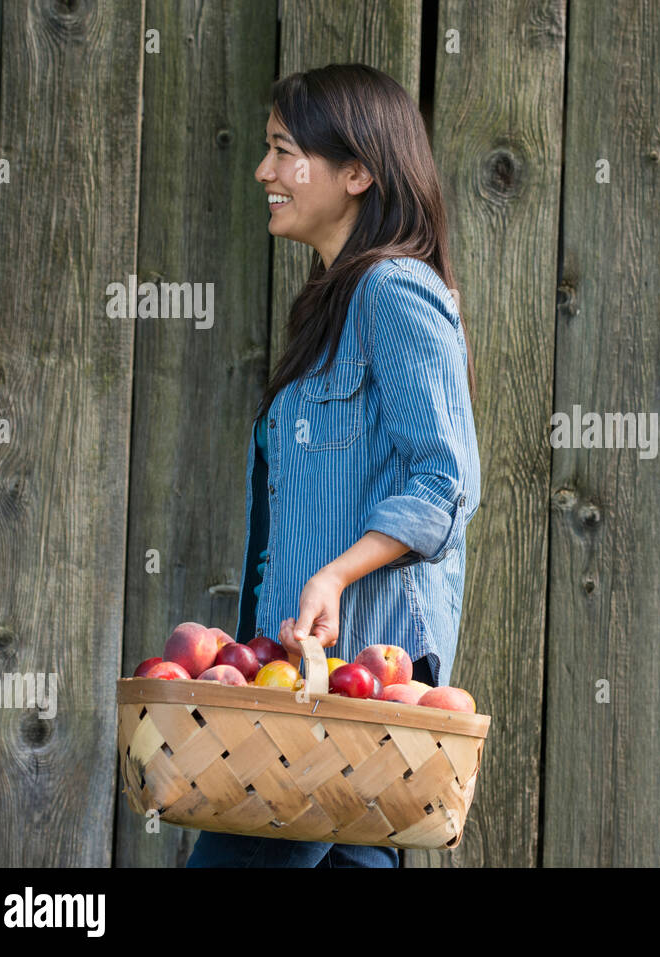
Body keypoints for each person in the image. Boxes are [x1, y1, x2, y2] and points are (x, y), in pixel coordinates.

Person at [186, 64, 481, 868]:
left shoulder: (394, 291)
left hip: (339, 703)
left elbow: (448, 481)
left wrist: (334, 577)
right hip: (303, 690)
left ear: (357, 171)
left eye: (284, 151)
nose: (264, 172)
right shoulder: (333, 306)